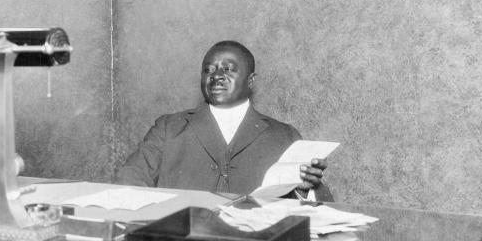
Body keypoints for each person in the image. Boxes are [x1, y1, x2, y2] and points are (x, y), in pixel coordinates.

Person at [114, 40, 329, 198]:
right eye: (208, 70)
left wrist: (303, 190)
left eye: (228, 69)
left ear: (251, 81)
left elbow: (319, 208)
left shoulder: (285, 136)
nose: (216, 75)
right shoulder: (169, 128)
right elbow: (129, 180)